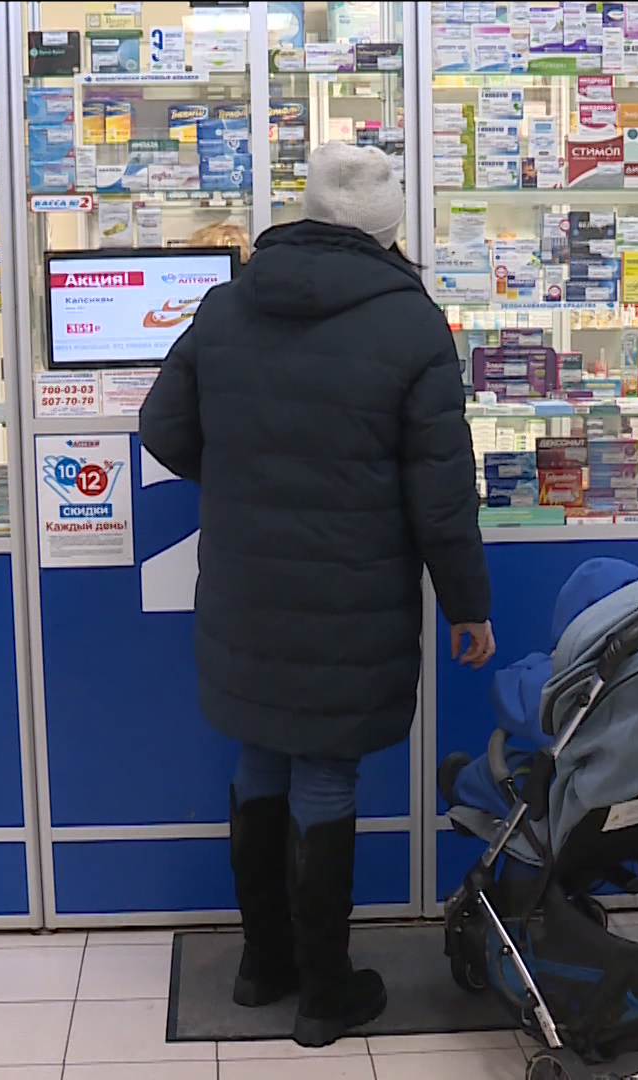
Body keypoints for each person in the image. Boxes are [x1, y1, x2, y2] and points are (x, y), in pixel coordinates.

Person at [140, 141, 494, 1047]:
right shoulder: (412, 325)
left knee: (261, 756)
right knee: (326, 770)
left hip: (247, 587)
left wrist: (245, 483)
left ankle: (265, 966)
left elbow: (163, 429)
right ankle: (326, 991)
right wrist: (467, 603)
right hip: (353, 590)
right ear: (389, 228)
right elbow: (441, 493)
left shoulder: (228, 305)